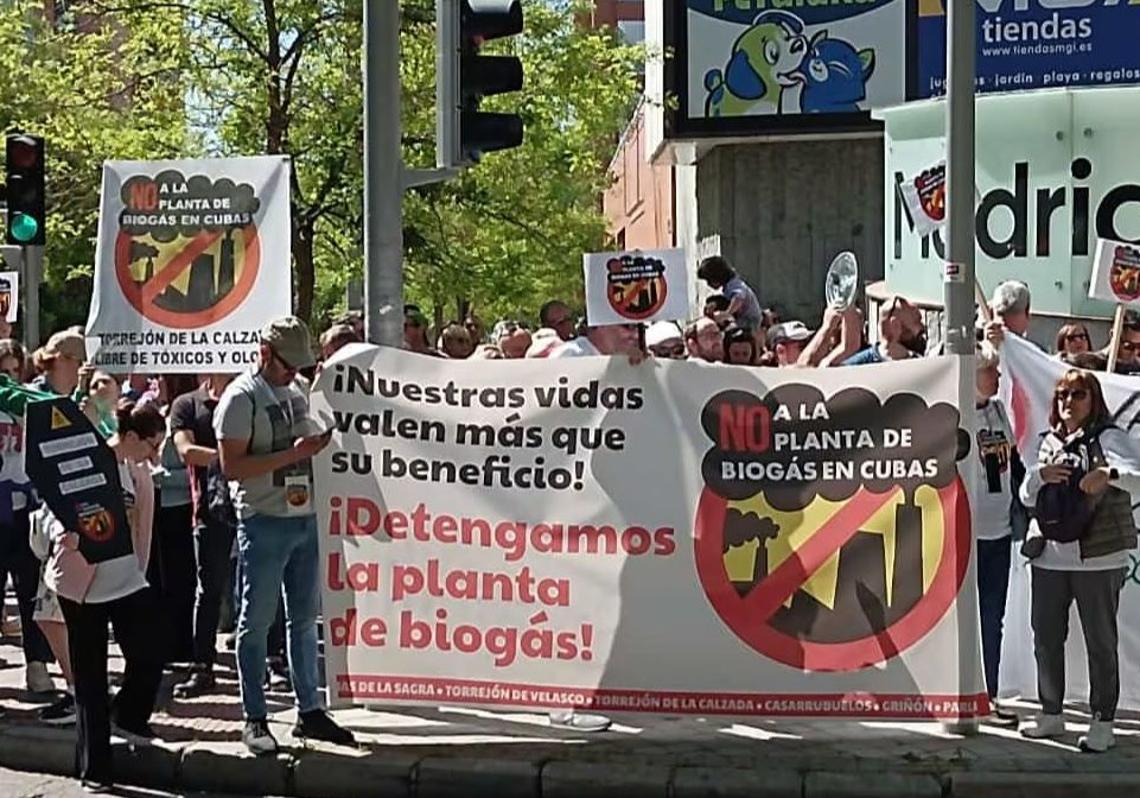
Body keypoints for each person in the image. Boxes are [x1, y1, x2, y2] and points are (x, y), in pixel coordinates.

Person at [215, 317, 354, 755]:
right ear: (265, 353)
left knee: (302, 621)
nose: (293, 372)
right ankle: (254, 717)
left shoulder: (295, 391)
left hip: (303, 516)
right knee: (255, 624)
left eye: (298, 365)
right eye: (286, 364)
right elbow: (232, 467)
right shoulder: (240, 398)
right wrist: (293, 454)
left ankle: (309, 710)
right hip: (263, 519)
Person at [49, 400, 168, 791]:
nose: (155, 454)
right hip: (83, 585)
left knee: (150, 654)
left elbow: (142, 527)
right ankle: (95, 769)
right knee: (91, 678)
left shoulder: (139, 470)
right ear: (130, 437)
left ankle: (129, 718)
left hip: (127, 580)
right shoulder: (89, 457)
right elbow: (53, 503)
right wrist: (64, 532)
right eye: (152, 445)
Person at [1018, 369, 1138, 752]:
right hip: (1050, 557)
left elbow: (1137, 476)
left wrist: (1109, 473)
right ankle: (1050, 713)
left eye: (1077, 394)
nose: (1068, 402)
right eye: (1062, 395)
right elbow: (1024, 496)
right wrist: (1040, 477)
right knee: (1046, 639)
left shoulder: (1110, 437)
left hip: (1098, 558)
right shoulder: (1047, 441)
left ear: (1094, 399)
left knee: (1100, 642)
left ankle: (1103, 721)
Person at [170, 374, 236, 698]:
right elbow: (185, 450)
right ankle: (203, 666)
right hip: (209, 510)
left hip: (258, 506)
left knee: (262, 589)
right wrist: (235, 458)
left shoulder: (250, 395)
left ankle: (275, 661)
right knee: (208, 590)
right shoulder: (187, 404)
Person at [0, 340, 56, 695]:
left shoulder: (27, 404)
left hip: (23, 512)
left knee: (29, 593)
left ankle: (36, 666)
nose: (8, 379)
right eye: (1, 371)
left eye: (14, 371)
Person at [974, 343, 1025, 724]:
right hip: (966, 533)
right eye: (990, 371)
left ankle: (987, 695)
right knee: (969, 618)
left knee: (994, 616)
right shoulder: (957, 415)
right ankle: (964, 692)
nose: (997, 377)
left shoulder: (997, 410)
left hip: (999, 530)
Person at [843, 296, 927, 365]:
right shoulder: (856, 368)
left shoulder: (921, 366)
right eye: (916, 321)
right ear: (895, 326)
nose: (922, 327)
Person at [696, 256, 762, 331]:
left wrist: (727, 314)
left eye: (709, 280)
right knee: (712, 300)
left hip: (749, 321)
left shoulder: (734, 284)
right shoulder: (727, 287)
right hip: (741, 318)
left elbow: (738, 298)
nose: (708, 284)